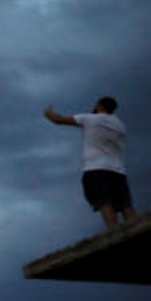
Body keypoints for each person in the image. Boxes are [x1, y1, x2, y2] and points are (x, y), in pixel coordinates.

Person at [44, 96, 137, 228]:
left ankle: (115, 232)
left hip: (96, 169)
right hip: (118, 171)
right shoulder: (121, 126)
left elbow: (58, 120)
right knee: (125, 205)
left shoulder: (90, 118)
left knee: (105, 203)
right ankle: (137, 228)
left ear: (99, 105)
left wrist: (48, 113)